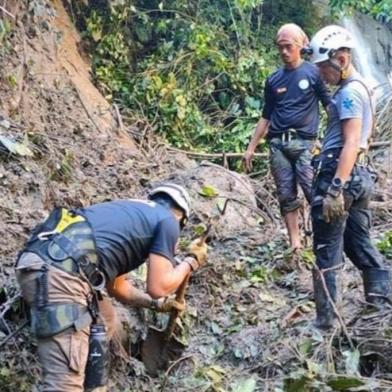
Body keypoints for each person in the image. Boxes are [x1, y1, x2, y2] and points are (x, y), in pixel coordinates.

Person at [14, 183, 208, 391]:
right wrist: (190, 262)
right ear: (181, 218)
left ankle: (94, 385)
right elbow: (159, 286)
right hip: (64, 276)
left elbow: (118, 288)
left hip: (40, 261)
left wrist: (156, 304)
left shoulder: (128, 213)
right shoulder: (169, 221)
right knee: (64, 385)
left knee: (105, 318)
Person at [307, 25, 391, 329]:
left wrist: (335, 189)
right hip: (360, 176)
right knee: (359, 244)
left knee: (326, 251)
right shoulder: (361, 89)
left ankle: (325, 326)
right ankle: (380, 304)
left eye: (323, 68)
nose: (321, 75)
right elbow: (366, 138)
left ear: (340, 59)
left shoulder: (349, 95)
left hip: (340, 176)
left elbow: (351, 142)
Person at [243, 23, 330, 253]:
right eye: (280, 47)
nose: (283, 51)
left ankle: (325, 241)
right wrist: (251, 147)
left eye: (288, 46)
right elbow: (266, 116)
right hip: (278, 144)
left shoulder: (314, 73)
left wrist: (338, 136)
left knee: (314, 192)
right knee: (285, 194)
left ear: (301, 45)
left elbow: (329, 105)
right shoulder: (273, 80)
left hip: (305, 143)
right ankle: (295, 243)